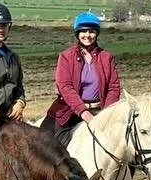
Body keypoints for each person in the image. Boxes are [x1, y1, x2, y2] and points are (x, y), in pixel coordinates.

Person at [46, 11, 123, 142]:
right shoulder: (66, 56)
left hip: (100, 111)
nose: (87, 35)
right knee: (44, 144)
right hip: (70, 112)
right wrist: (84, 113)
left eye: (92, 31)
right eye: (83, 31)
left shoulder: (106, 57)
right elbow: (65, 87)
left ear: (97, 33)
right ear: (77, 34)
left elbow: (113, 87)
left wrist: (106, 114)